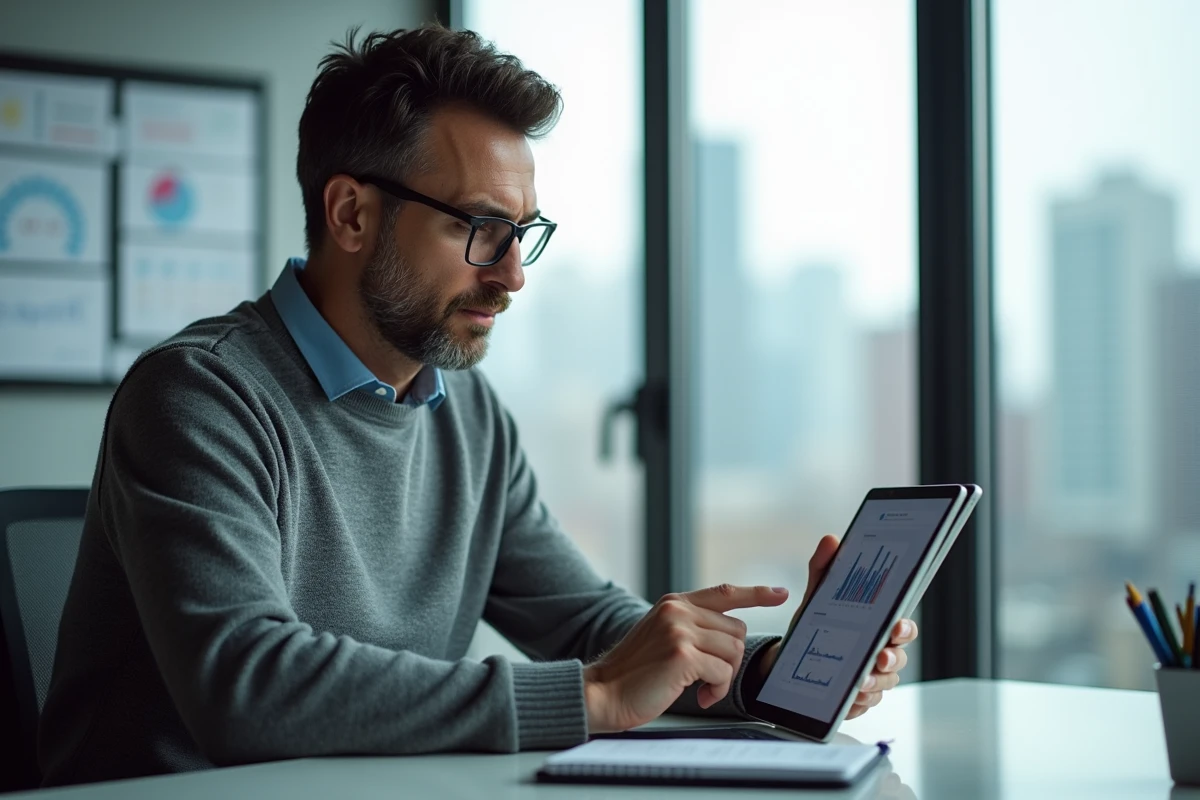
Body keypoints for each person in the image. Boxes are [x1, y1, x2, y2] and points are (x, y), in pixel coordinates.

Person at [38, 25, 916, 787]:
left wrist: (765, 670)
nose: (512, 273)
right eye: (481, 229)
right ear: (350, 213)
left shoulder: (469, 415)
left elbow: (584, 622)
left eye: (523, 232)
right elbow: (247, 685)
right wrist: (594, 696)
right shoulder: (200, 395)